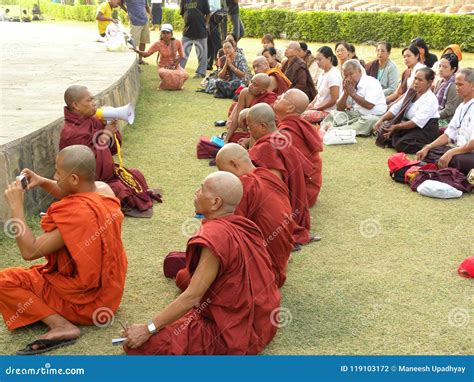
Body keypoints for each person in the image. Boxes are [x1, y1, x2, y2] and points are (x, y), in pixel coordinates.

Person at [123, 171, 280, 355]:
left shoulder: (216, 235)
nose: (196, 193)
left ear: (216, 203)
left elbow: (193, 297)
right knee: (184, 278)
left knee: (144, 346)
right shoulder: (247, 226)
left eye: (202, 189)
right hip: (265, 321)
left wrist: (148, 328)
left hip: (232, 331)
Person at [0, 145, 127, 355]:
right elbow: (72, 192)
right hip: (110, 295)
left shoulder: (77, 215)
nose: (55, 176)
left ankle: (61, 325)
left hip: (86, 304)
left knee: (5, 281)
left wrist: (16, 207)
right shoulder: (103, 189)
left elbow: (29, 251)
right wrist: (42, 181)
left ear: (74, 178)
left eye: (58, 172)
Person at [59, 85, 161, 217]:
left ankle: (134, 197)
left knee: (136, 174)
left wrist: (111, 130)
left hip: (107, 174)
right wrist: (106, 135)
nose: (94, 103)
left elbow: (110, 149)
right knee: (119, 190)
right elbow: (86, 164)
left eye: (93, 99)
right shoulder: (72, 132)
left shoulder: (91, 119)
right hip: (88, 181)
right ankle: (122, 203)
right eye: (89, 101)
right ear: (76, 105)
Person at [216, 144, 295, 287]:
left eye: (223, 172)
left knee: (185, 275)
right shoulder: (269, 176)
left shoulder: (245, 185)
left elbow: (229, 233)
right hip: (279, 263)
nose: (225, 178)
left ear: (234, 164)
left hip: (264, 274)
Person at [248, 103, 317, 245]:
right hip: (294, 208)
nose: (248, 130)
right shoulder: (281, 139)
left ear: (262, 126)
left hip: (281, 211)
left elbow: (274, 186)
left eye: (250, 126)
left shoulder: (265, 147)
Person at [416, 68, 474, 175]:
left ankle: (449, 168)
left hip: (469, 153)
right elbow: (448, 134)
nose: (457, 88)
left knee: (455, 160)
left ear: (473, 85)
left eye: (460, 85)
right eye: (456, 84)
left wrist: (451, 152)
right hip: (459, 150)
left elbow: (472, 143)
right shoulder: (461, 107)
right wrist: (429, 146)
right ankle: (446, 168)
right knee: (430, 151)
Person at [274, 89, 323, 207]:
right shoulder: (295, 124)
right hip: (310, 187)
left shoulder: (286, 133)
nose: (279, 95)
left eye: (283, 96)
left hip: (302, 193)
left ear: (290, 108)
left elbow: (279, 165)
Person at [374, 68, 440, 154]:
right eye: (415, 78)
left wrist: (396, 127)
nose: (416, 82)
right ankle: (397, 138)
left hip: (424, 130)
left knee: (403, 144)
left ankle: (423, 145)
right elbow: (396, 108)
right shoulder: (412, 92)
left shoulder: (430, 99)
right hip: (407, 125)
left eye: (420, 80)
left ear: (429, 83)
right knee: (384, 130)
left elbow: (416, 122)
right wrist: (381, 119)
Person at [321, 59, 386, 136]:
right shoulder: (349, 84)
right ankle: (336, 127)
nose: (348, 78)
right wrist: (346, 93)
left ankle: (338, 130)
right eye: (346, 76)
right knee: (335, 113)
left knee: (370, 120)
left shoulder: (371, 82)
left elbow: (369, 105)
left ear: (359, 71)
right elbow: (339, 108)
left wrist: (352, 94)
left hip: (372, 115)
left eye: (351, 74)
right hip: (354, 114)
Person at [225, 73, 277, 143]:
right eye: (251, 82)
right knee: (232, 139)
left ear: (263, 91)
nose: (250, 86)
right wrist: (226, 138)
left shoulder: (269, 100)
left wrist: (248, 140)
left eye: (255, 85)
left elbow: (268, 127)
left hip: (258, 133)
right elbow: (236, 116)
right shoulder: (244, 93)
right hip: (247, 130)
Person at [134, 24, 189, 90]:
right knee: (166, 73)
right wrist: (138, 51)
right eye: (163, 33)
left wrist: (175, 65)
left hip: (175, 66)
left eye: (167, 33)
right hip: (163, 66)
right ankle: (164, 86)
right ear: (161, 34)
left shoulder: (177, 42)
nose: (165, 35)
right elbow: (147, 54)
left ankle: (176, 86)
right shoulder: (158, 44)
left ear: (171, 34)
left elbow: (181, 55)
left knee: (185, 75)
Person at [302, 46, 342, 124]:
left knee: (300, 116)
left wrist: (318, 108)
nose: (317, 62)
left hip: (328, 112)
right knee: (298, 110)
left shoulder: (333, 75)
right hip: (319, 107)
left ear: (329, 59)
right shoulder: (323, 73)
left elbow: (335, 99)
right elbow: (319, 94)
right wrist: (311, 105)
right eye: (316, 59)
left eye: (320, 59)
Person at [179, 0, 210, 79]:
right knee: (183, 53)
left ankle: (200, 73)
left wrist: (205, 25)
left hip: (201, 31)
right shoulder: (183, 1)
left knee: (202, 54)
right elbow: (183, 14)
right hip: (187, 31)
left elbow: (208, 13)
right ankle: (179, 71)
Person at [434, 53, 462, 125]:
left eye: (445, 67)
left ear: (453, 69)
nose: (440, 69)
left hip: (447, 121)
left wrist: (432, 116)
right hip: (436, 114)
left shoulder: (454, 85)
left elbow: (449, 110)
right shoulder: (440, 81)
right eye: (440, 66)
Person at [124, 0, 150, 65]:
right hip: (134, 21)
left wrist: (150, 16)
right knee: (133, 43)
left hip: (145, 20)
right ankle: (132, 63)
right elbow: (119, 2)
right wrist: (127, 11)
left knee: (143, 42)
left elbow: (146, 6)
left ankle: (140, 60)